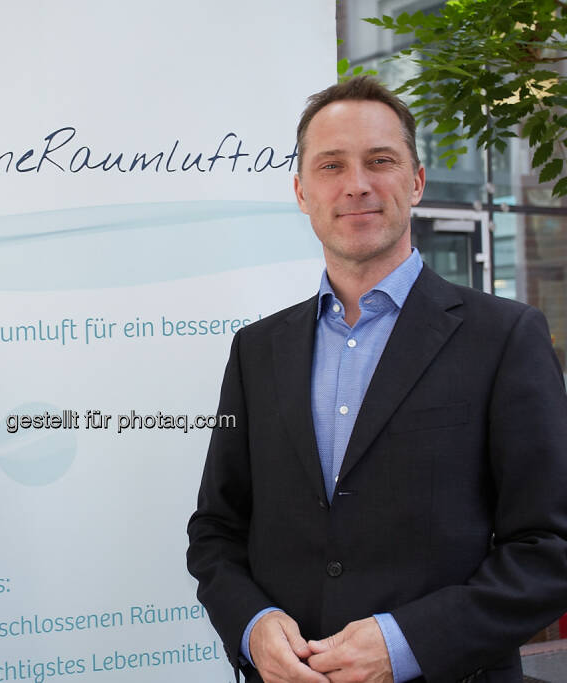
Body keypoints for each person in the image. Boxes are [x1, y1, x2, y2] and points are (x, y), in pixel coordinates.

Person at [187, 76, 567, 683]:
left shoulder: (504, 337)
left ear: (416, 181)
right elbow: (216, 529)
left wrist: (406, 644)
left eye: (380, 161)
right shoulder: (257, 350)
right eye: (331, 165)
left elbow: (549, 549)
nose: (356, 184)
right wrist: (252, 625)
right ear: (302, 192)